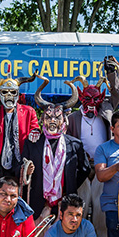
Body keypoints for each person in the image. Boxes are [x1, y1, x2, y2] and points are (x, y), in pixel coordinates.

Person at [67, 56, 119, 237]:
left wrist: (112, 73)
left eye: (95, 99)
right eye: (87, 99)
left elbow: (117, 93)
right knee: (80, 206)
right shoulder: (72, 117)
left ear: (100, 98)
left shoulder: (106, 110)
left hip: (103, 166)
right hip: (81, 167)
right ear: (80, 97)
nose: (91, 103)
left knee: (101, 208)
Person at [23, 77, 89, 221]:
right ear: (42, 120)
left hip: (65, 203)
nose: (52, 120)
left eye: (57, 117)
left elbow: (85, 170)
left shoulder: (75, 145)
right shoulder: (32, 142)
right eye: (48, 116)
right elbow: (21, 168)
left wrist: (69, 185)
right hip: (37, 204)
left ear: (64, 120)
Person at [0, 68, 39, 178]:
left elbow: (34, 127)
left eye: (13, 92)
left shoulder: (28, 112)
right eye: (5, 92)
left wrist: (35, 131)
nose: (9, 96)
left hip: (20, 160)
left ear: (18, 94)